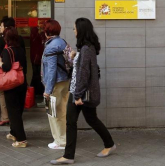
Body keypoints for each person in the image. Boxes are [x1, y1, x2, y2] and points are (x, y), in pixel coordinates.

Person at [50, 18, 115, 165]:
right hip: (80, 90)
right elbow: (81, 69)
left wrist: (78, 95)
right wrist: (74, 57)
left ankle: (68, 155)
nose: (73, 31)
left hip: (79, 92)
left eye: (74, 28)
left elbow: (84, 74)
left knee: (71, 122)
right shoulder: (87, 48)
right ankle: (109, 144)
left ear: (81, 30)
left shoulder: (86, 49)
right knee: (90, 119)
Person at [0, 27, 28, 148]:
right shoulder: (20, 49)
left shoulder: (7, 51)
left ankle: (21, 139)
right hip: (21, 82)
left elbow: (7, 67)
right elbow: (23, 66)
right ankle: (13, 133)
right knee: (17, 110)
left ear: (6, 38)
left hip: (12, 84)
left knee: (13, 112)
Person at [42, 19, 70, 150]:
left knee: (54, 113)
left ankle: (60, 141)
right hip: (64, 81)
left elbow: (51, 70)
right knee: (61, 111)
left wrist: (48, 90)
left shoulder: (51, 46)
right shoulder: (62, 42)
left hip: (55, 84)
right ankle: (62, 138)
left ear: (47, 31)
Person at [30, 25, 46, 97]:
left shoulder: (36, 36)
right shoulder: (38, 36)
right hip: (37, 58)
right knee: (38, 75)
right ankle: (37, 91)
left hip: (36, 58)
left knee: (37, 75)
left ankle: (35, 91)